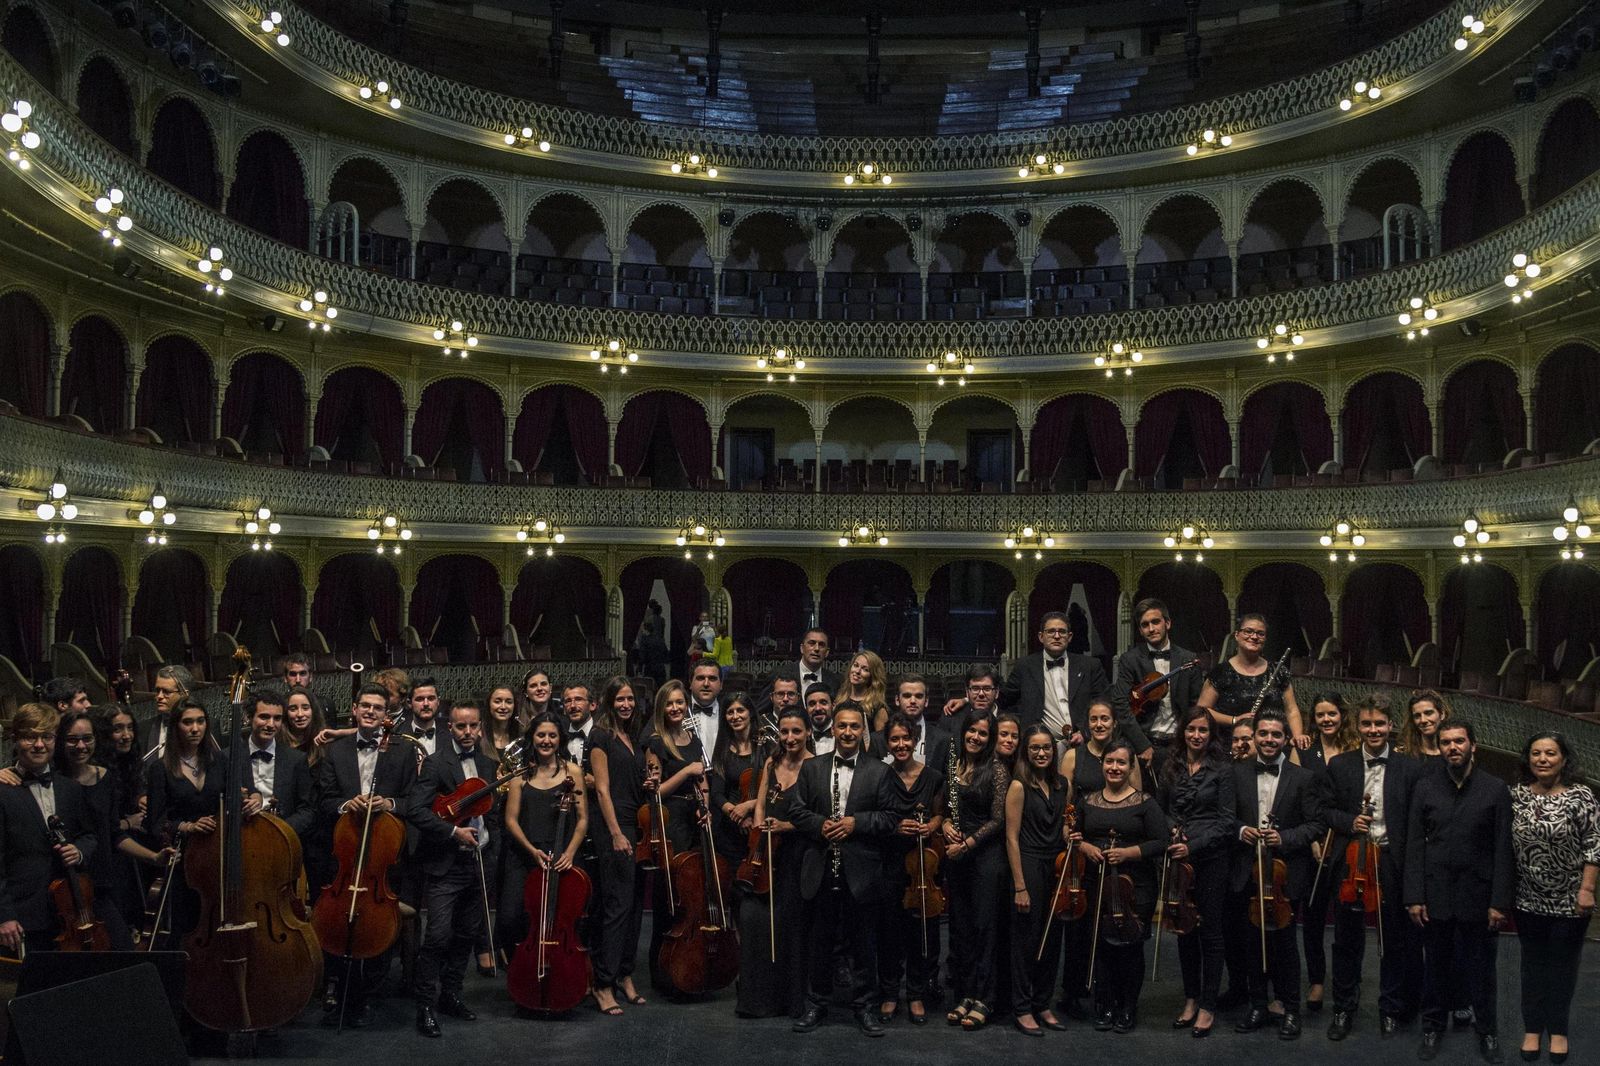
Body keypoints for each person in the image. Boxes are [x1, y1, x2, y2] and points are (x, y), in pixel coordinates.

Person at [1405, 719, 1513, 1064]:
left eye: (1459, 741)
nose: (1453, 747)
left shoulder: (1495, 788)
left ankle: (1488, 1032)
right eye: (1446, 742)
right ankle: (1432, 1028)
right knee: (1435, 968)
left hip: (1479, 897)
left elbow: (1503, 849)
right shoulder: (1426, 787)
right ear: (1439, 748)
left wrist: (1499, 902)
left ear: (1473, 745)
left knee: (1482, 971)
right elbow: (1414, 845)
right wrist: (1414, 896)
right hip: (1435, 894)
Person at [788, 701, 896, 1038]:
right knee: (820, 942)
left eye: (854, 726)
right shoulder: (812, 767)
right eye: (842, 726)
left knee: (864, 944)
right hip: (821, 867)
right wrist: (820, 825)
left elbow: (890, 818)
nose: (848, 732)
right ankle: (817, 1003)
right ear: (833, 729)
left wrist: (855, 823)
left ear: (863, 731)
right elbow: (796, 811)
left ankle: (864, 1008)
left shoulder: (879, 771)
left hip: (861, 871)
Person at [316, 683, 421, 1027]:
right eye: (365, 706)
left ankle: (369, 988)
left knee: (378, 922)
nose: (371, 712)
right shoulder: (335, 751)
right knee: (337, 921)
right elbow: (324, 800)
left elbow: (413, 800)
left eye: (378, 707)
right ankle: (341, 987)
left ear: (386, 714)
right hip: (345, 853)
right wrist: (347, 804)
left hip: (384, 855)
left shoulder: (402, 752)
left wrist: (388, 803)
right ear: (355, 709)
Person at [1322, 696, 1424, 1042]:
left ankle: (1390, 1008)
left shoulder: (1410, 768)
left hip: (1391, 861)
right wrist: (1349, 821)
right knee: (1346, 941)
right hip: (1352, 861)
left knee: (1393, 940)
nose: (1373, 730)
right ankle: (1343, 1008)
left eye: (1379, 723)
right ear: (1358, 726)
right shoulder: (1340, 765)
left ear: (1391, 726)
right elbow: (1325, 810)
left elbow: (1416, 823)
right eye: (1366, 724)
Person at [1229, 708, 1322, 1040]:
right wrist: (1241, 830)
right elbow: (1224, 817)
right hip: (1248, 871)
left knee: (1285, 945)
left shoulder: (1304, 777)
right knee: (1252, 943)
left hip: (1285, 874)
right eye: (1263, 733)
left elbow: (1315, 824)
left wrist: (1284, 838)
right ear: (1254, 736)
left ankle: (1291, 1009)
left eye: (1276, 734)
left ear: (1286, 739)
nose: (1269, 739)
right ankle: (1258, 1004)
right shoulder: (1235, 773)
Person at [409, 699, 499, 1038]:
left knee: (465, 935)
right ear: (450, 728)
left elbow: (493, 815)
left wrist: (491, 848)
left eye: (473, 726)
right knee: (437, 936)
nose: (468, 732)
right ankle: (425, 1005)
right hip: (446, 864)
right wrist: (452, 832)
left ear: (480, 728)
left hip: (478, 862)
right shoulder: (435, 763)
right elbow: (417, 811)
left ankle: (451, 995)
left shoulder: (489, 764)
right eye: (461, 726)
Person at [1510, 731, 1598, 1064]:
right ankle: (1532, 1029)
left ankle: (1558, 1031)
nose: (1542, 759)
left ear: (1563, 759)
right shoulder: (1517, 795)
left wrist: (1587, 889)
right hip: (1527, 899)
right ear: (1528, 759)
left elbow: (1594, 846)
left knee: (1562, 967)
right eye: (1536, 753)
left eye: (1550, 753)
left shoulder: (1581, 796)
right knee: (1532, 966)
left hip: (1570, 901)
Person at [1076, 737, 1168, 1033]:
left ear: (1130, 767)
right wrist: (1085, 847)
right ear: (1102, 764)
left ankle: (1128, 1006)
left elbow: (1161, 841)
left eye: (1121, 762)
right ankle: (1103, 1004)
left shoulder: (1145, 803)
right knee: (1101, 944)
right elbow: (1075, 836)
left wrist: (1128, 853)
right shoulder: (1087, 801)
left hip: (1136, 884)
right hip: (1097, 880)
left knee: (1130, 945)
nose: (1114, 767)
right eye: (1109, 761)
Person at [499, 711, 589, 1002]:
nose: (546, 740)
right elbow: (511, 820)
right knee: (510, 918)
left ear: (560, 738)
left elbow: (582, 819)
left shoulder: (572, 772)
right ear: (532, 738)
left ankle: (560, 977)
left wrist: (569, 853)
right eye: (541, 735)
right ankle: (522, 971)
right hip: (526, 855)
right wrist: (531, 850)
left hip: (561, 854)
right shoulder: (520, 775)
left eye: (552, 735)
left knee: (561, 921)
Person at [1159, 705, 1236, 1038]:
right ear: (1183, 731)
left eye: (1203, 730)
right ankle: (1190, 998)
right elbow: (1161, 810)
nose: (1196, 735)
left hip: (1212, 857)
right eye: (1191, 729)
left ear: (1211, 734)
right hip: (1180, 857)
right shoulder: (1171, 766)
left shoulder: (1223, 770)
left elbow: (1227, 821)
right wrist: (1172, 832)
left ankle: (1208, 1004)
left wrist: (1194, 845)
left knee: (1211, 932)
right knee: (1185, 929)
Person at [0, 703, 99, 956]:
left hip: (70, 908)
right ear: (15, 739)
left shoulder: (70, 788)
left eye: (47, 737)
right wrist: (5, 915)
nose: (39, 745)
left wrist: (78, 851)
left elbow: (89, 835)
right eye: (29, 737)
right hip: (23, 915)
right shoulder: (3, 791)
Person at [736, 706, 813, 1019]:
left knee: (788, 927)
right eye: (784, 731)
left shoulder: (815, 766)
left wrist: (785, 827)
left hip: (796, 854)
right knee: (754, 921)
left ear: (808, 732)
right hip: (765, 853)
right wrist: (759, 830)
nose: (790, 738)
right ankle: (756, 1001)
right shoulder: (771, 761)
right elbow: (761, 801)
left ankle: (790, 1001)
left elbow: (818, 817)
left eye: (797, 731)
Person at [942, 706, 1009, 1031]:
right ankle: (966, 994)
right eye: (972, 730)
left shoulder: (996, 769)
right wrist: (944, 824)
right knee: (961, 930)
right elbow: (946, 808)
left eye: (983, 733)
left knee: (985, 930)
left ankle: (986, 998)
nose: (976, 737)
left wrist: (967, 844)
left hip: (985, 858)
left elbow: (998, 820)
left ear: (990, 737)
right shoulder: (954, 764)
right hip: (957, 858)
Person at [878, 713, 946, 1025]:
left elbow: (940, 814)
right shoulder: (880, 775)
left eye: (906, 738)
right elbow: (874, 815)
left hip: (923, 863)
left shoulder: (933, 777)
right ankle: (890, 993)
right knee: (889, 931)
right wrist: (894, 827)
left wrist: (931, 825)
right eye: (895, 739)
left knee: (920, 932)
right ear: (887, 743)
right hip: (890, 861)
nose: (901, 744)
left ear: (916, 740)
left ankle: (915, 994)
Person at [587, 676, 648, 1013]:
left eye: (630, 699)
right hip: (614, 825)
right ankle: (602, 983)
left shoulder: (630, 735)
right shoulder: (601, 735)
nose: (626, 705)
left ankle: (624, 974)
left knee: (634, 905)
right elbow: (602, 789)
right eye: (620, 699)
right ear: (609, 702)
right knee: (617, 906)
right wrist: (614, 832)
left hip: (634, 823)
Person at [1005, 723, 1069, 1037]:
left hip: (1055, 864)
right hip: (1029, 864)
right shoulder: (1018, 786)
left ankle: (1043, 1003)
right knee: (1026, 941)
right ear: (1026, 752)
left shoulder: (1062, 784)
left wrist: (1071, 833)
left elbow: (1063, 825)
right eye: (1035, 748)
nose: (1041, 753)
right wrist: (1020, 885)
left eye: (1046, 748)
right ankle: (1022, 1007)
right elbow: (1011, 838)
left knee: (1052, 938)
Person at [643, 680, 706, 992]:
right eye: (669, 703)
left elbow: (702, 780)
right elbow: (655, 793)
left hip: (693, 819)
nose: (675, 708)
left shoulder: (693, 739)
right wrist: (686, 771)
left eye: (680, 702)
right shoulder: (655, 743)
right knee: (670, 898)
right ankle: (663, 972)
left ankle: (689, 965)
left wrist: (704, 806)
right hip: (671, 821)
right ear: (661, 708)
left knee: (692, 896)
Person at [1301, 692, 1359, 1014]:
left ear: (1342, 715)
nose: (1326, 719)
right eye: (1320, 714)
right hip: (1313, 842)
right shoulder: (1304, 749)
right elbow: (1300, 796)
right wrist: (1312, 839)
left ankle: (1345, 982)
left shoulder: (1355, 747)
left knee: (1345, 918)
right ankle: (1317, 980)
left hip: (1344, 842)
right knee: (1312, 916)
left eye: (1332, 714)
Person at [997, 613, 1121, 750]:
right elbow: (1005, 700)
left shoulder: (1090, 666)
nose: (1057, 636)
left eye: (1062, 631)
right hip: (1039, 747)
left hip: (1083, 745)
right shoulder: (1025, 666)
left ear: (1070, 637)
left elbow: (1104, 703)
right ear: (1041, 637)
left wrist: (1084, 732)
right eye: (1051, 631)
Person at [1112, 598, 1203, 773]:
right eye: (1145, 625)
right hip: (1144, 743)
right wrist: (1142, 745)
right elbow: (1120, 704)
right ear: (1140, 630)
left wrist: (1189, 744)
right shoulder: (1130, 660)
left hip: (1179, 745)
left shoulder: (1188, 659)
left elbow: (1195, 706)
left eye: (1155, 622)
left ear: (1167, 623)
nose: (1151, 628)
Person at [1196, 614, 1307, 748]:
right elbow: (1202, 710)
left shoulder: (1279, 671)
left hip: (1270, 745)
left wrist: (1297, 736)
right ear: (1237, 635)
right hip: (1230, 745)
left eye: (1260, 634)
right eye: (1248, 631)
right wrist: (1234, 720)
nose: (1254, 637)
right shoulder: (1220, 672)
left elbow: (1291, 710)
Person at [242, 687, 314, 836]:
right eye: (264, 717)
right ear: (248, 717)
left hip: (282, 839)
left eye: (277, 718)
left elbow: (307, 810)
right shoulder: (229, 757)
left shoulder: (296, 759)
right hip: (242, 836)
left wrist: (280, 830)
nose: (271, 724)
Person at [708, 692, 760, 867]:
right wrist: (738, 815)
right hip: (730, 828)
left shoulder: (765, 747)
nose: (735, 716)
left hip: (760, 823)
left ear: (750, 713)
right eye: (730, 712)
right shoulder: (722, 750)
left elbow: (774, 789)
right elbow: (717, 794)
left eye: (740, 710)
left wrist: (749, 806)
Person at [1062, 698, 1146, 796]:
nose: (1099, 724)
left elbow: (1137, 798)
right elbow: (1064, 799)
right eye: (1093, 719)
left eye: (1105, 719)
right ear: (1088, 724)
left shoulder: (1128, 755)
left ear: (1114, 723)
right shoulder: (1072, 756)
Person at [140, 664, 196, 759]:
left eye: (166, 692)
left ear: (184, 694)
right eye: (157, 691)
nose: (159, 696)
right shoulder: (143, 729)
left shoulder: (207, 727)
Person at [837, 650, 889, 733]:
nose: (857, 671)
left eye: (865, 669)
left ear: (873, 677)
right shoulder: (840, 699)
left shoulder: (878, 707)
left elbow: (880, 740)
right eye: (855, 665)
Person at [397, 676, 443, 763]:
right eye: (420, 699)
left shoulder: (450, 734)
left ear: (438, 701)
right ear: (409, 703)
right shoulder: (397, 735)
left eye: (431, 698)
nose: (426, 704)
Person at [282, 685, 330, 767]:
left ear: (313, 710)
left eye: (305, 708)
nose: (300, 714)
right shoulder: (278, 742)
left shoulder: (325, 740)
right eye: (293, 709)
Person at [1401, 689, 1452, 763]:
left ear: (1442, 714)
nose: (1423, 720)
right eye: (1417, 716)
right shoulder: (1404, 755)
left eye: (1428, 713)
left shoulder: (1453, 755)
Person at [686, 661, 724, 755]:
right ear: (690, 683)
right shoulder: (675, 711)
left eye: (712, 678)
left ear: (721, 684)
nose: (706, 684)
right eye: (700, 678)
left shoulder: (730, 713)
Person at [634, 600, 670, 685]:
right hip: (660, 660)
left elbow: (643, 656)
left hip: (650, 665)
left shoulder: (648, 617)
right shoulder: (662, 620)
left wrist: (640, 667)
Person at [483, 684, 520, 757]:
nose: (503, 707)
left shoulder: (521, 736)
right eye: (497, 702)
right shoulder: (477, 736)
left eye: (509, 702)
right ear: (488, 704)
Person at [804, 684, 835, 754]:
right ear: (806, 709)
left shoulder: (843, 732)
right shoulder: (801, 737)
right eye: (812, 704)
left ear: (833, 705)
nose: (818, 708)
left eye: (823, 703)